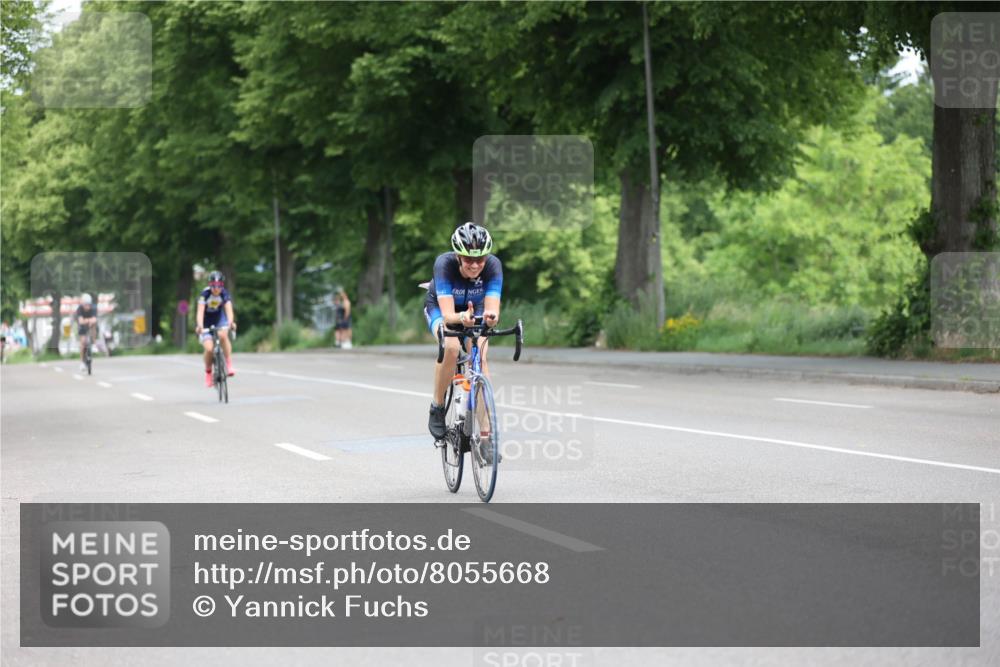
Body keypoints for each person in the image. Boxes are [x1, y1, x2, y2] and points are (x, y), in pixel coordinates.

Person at [424, 222, 502, 440]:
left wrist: (491, 319)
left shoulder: (493, 266)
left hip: (475, 309)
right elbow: (449, 316)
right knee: (450, 346)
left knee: (481, 359)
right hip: (441, 308)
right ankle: (437, 406)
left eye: (480, 259)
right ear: (458, 256)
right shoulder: (444, 264)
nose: (475, 265)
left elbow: (492, 311)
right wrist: (461, 318)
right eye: (468, 259)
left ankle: (486, 437)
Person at [195, 270, 236, 387]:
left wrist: (231, 322)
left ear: (222, 285)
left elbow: (229, 310)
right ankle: (208, 372)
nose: (216, 289)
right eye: (213, 285)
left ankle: (228, 364)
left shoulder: (224, 294)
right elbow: (200, 312)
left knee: (223, 335)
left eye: (219, 285)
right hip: (206, 322)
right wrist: (200, 326)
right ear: (210, 285)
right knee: (209, 349)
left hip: (219, 319)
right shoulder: (205, 295)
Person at [74, 294, 98, 372]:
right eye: (85, 305)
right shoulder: (79, 309)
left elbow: (94, 320)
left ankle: (94, 342)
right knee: (83, 342)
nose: (87, 306)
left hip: (90, 324)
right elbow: (81, 321)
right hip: (82, 325)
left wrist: (88, 321)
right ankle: (82, 362)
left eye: (88, 305)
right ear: (82, 304)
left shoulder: (93, 308)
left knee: (94, 326)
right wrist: (89, 320)